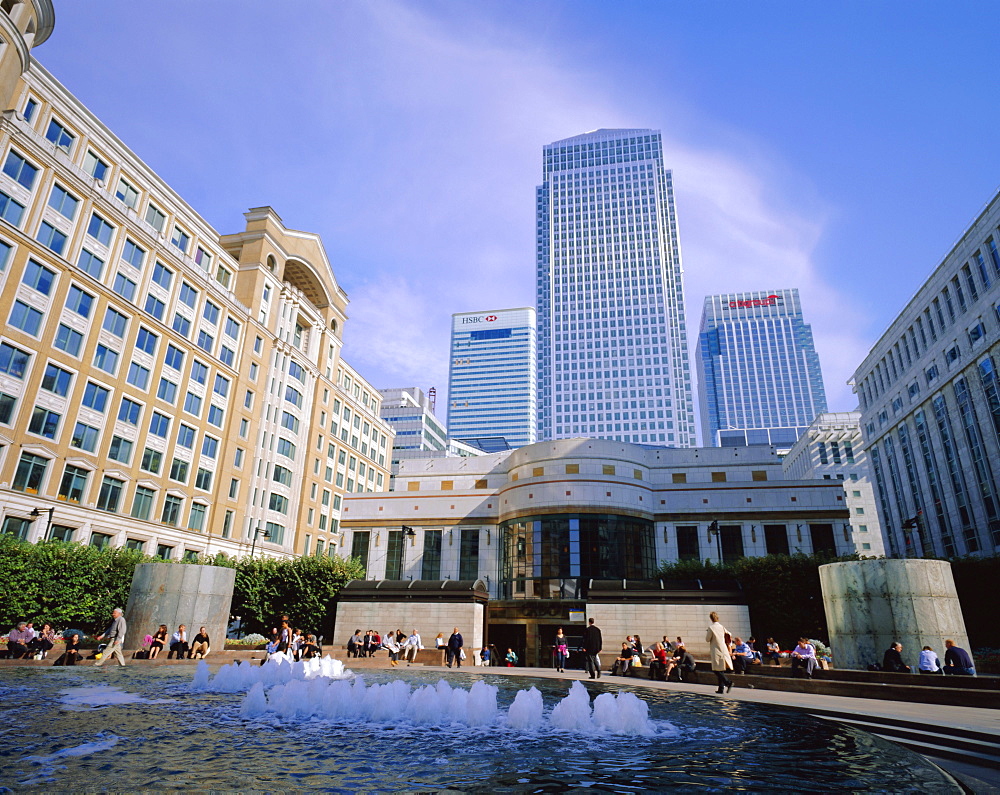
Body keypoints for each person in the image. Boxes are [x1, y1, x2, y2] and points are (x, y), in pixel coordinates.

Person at [706, 611, 734, 694]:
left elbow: (707, 639)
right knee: (721, 669)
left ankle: (728, 682)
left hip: (716, 649)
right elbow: (729, 634)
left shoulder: (711, 628)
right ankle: (721, 688)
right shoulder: (722, 627)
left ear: (711, 618)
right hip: (723, 648)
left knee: (716, 669)